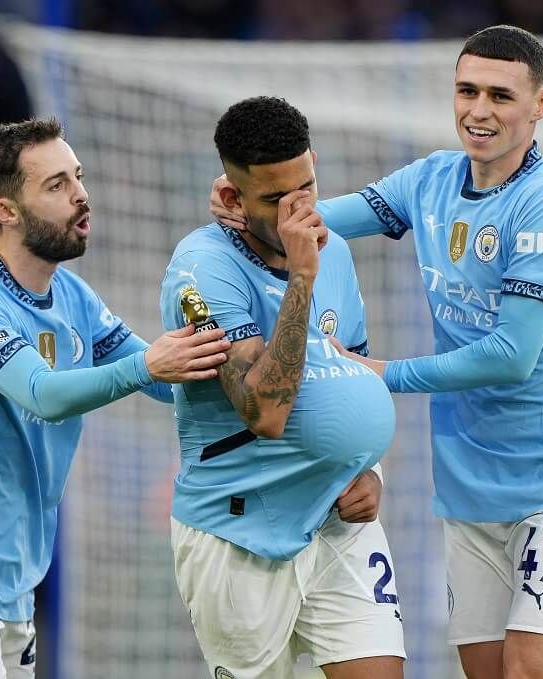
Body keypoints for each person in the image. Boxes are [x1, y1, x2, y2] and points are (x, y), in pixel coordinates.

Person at [212, 25, 543, 679]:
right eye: (466, 91)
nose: (478, 110)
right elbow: (312, 224)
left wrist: (379, 373)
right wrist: (251, 208)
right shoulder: (431, 180)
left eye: (499, 95)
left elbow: (510, 355)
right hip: (469, 479)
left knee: (532, 672)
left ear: (541, 106)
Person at [0, 117, 230, 679]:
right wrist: (152, 362)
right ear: (4, 211)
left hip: (13, 572)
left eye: (78, 177)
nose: (81, 195)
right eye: (56, 185)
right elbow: (44, 394)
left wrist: (223, 342)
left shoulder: (73, 296)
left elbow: (160, 380)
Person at [162, 96, 403, 679]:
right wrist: (301, 276)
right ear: (231, 198)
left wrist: (371, 473)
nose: (298, 211)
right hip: (242, 527)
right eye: (274, 199)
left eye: (307, 188)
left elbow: (354, 375)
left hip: (337, 522)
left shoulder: (337, 254)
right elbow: (263, 410)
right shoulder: (201, 268)